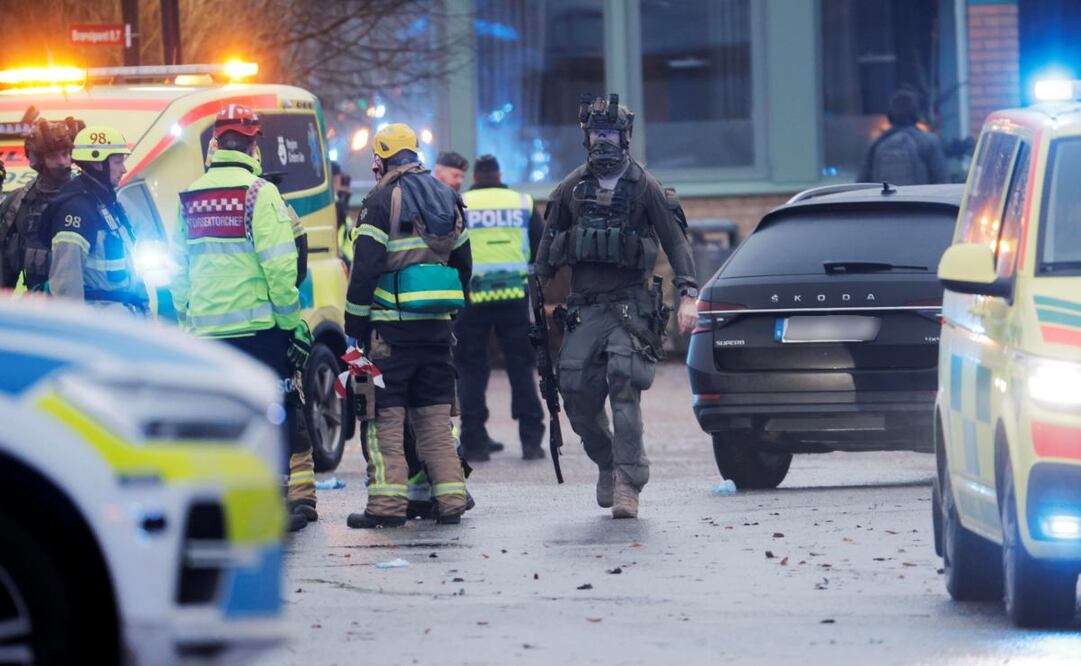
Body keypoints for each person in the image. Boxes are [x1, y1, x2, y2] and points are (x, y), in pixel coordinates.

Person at [535, 94, 698, 519]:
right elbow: (546, 253)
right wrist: (532, 299)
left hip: (629, 305)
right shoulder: (571, 189)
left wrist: (688, 294)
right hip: (585, 307)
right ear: (585, 137)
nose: (602, 142)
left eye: (610, 134)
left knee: (624, 384)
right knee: (574, 392)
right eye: (596, 134)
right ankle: (607, 462)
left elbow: (677, 243)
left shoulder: (646, 187)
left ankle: (628, 480)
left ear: (624, 138)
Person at [171, 105, 316, 533]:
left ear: (215, 144)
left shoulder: (191, 196)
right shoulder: (260, 194)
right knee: (276, 412)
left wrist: (186, 319)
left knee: (220, 417)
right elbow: (278, 267)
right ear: (254, 145)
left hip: (207, 333)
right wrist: (293, 325)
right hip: (260, 332)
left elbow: (179, 270)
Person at [344, 123, 471, 528]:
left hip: (389, 333)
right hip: (436, 330)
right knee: (435, 420)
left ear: (380, 159)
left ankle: (386, 507)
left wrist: (355, 325)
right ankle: (451, 501)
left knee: (384, 421)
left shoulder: (380, 200)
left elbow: (364, 268)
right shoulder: (448, 196)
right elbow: (464, 265)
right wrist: (448, 313)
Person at [455, 154, 545, 462]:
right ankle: (531, 440)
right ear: (499, 175)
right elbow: (540, 246)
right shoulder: (522, 202)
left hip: (471, 297)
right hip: (513, 295)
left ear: (475, 178)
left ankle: (474, 441)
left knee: (471, 369)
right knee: (521, 367)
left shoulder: (461, 202)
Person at [43, 126, 147, 312]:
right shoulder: (77, 211)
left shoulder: (108, 203)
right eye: (117, 162)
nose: (123, 169)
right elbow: (66, 287)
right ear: (98, 164)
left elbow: (130, 267)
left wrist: (145, 310)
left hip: (124, 318)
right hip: (100, 325)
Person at [0, 116, 83, 291]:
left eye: (65, 154)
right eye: (53, 156)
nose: (62, 162)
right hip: (38, 309)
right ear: (37, 161)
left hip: (84, 308)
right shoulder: (17, 204)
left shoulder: (89, 198)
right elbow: (4, 268)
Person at [858, 89, 948, 185]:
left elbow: (862, 183)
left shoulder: (876, 144)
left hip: (885, 200)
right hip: (917, 199)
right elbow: (941, 181)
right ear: (916, 113)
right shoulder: (928, 141)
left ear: (890, 115)